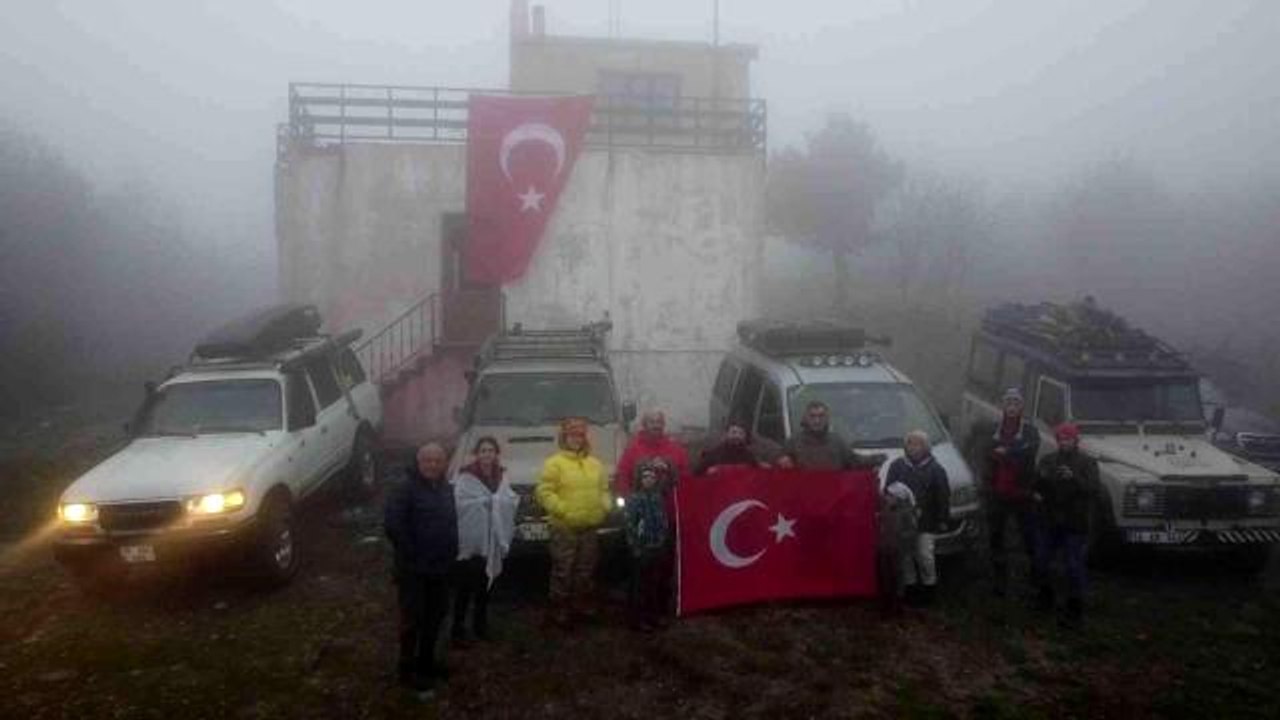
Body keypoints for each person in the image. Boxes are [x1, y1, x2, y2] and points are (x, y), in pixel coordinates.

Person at [384, 442, 458, 696]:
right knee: (412, 620)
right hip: (413, 570)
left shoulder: (445, 489)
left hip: (441, 567)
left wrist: (452, 554)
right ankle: (406, 670)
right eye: (427, 460)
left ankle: (426, 663)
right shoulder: (405, 489)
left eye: (438, 460)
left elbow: (451, 524)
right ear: (418, 462)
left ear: (444, 463)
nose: (433, 465)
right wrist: (413, 555)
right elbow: (393, 526)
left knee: (435, 617)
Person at [536, 417, 612, 627]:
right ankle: (559, 609)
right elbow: (544, 492)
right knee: (563, 569)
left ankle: (582, 605)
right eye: (572, 435)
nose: (576, 439)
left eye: (580, 435)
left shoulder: (595, 464)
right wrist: (563, 510)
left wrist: (605, 506)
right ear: (564, 438)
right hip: (564, 527)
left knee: (586, 569)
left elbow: (604, 489)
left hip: (590, 526)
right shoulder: (554, 463)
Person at [968, 388, 1041, 597]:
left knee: (1029, 537)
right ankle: (1000, 582)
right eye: (1008, 402)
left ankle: (1036, 578)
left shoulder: (1030, 431)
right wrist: (987, 477)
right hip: (996, 493)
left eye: (1016, 403)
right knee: (996, 537)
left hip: (1022, 493)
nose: (1011, 407)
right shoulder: (993, 429)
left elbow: (1030, 452)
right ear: (1003, 405)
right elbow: (986, 452)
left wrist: (1007, 452)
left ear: (1022, 407)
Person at [452, 436, 517, 645]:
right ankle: (457, 629)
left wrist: (497, 502)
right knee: (464, 586)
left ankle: (480, 626)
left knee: (484, 587)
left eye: (490, 450)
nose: (487, 454)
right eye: (483, 450)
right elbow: (459, 503)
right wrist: (482, 502)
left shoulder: (501, 475)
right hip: (472, 540)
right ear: (477, 454)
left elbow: (509, 499)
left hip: (492, 539)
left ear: (496, 454)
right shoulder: (466, 476)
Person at [1033, 423, 1099, 628]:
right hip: (1050, 520)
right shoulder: (1048, 460)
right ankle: (1045, 598)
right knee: (1042, 560)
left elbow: (1093, 489)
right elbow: (1037, 485)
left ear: (1075, 440)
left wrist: (1074, 478)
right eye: (1061, 439)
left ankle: (1075, 607)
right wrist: (1039, 487)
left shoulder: (1087, 462)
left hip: (1075, 522)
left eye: (1068, 439)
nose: (1064, 443)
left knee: (1073, 565)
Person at [884, 430, 951, 606]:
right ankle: (910, 589)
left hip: (926, 521)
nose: (914, 447)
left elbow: (943, 496)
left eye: (919, 444)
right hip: (904, 522)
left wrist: (943, 519)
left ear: (926, 447)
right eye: (910, 443)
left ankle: (930, 589)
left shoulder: (936, 469)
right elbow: (887, 489)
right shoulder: (897, 466)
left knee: (925, 555)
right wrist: (891, 500)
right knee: (906, 556)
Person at [625, 458, 674, 631]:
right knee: (639, 586)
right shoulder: (633, 499)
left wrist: (663, 541)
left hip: (657, 547)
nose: (649, 480)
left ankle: (653, 616)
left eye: (652, 477)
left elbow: (663, 520)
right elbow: (630, 526)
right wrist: (635, 547)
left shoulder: (658, 497)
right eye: (645, 476)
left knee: (654, 584)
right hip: (642, 549)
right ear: (639, 479)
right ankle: (637, 619)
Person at [615, 410, 690, 498]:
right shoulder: (632, 450)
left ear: (663, 425)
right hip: (641, 503)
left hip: (670, 503)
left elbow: (685, 476)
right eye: (652, 422)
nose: (656, 425)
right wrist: (627, 498)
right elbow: (623, 475)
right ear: (644, 425)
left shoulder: (676, 449)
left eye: (659, 422)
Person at [781, 401, 869, 470]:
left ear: (827, 418)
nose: (817, 421)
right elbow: (778, 458)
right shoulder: (794, 442)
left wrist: (877, 460)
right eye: (812, 416)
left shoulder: (837, 442)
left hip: (833, 487)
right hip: (804, 487)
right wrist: (782, 459)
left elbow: (856, 461)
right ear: (806, 418)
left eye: (821, 416)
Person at [877, 481, 918, 618]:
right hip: (884, 548)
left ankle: (898, 603)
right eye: (887, 495)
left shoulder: (906, 512)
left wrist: (901, 536)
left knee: (898, 575)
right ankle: (886, 602)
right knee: (885, 575)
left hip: (898, 549)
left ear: (898, 497)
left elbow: (912, 530)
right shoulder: (884, 509)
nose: (886, 497)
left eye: (890, 495)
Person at [695, 417, 780, 475]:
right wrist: (708, 472)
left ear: (745, 437)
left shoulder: (749, 455)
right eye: (734, 432)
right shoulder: (714, 453)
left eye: (741, 433)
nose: (737, 436)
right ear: (727, 434)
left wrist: (765, 467)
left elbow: (756, 469)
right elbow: (697, 473)